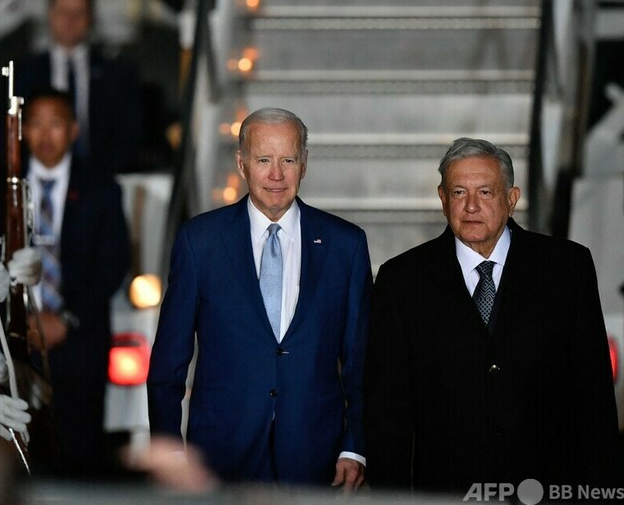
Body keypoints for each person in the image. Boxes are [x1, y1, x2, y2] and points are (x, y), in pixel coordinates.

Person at [364, 137, 621, 495]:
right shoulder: (402, 280)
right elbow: (387, 413)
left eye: (485, 192)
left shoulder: (566, 268)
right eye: (459, 192)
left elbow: (594, 399)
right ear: (442, 199)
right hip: (447, 495)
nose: (471, 206)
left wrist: (602, 491)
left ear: (511, 199)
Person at [147, 107, 372, 488]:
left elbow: (361, 363)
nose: (276, 174)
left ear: (304, 165)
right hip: (219, 454)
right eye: (264, 160)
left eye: (288, 160)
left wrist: (355, 446)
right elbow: (169, 361)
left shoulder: (345, 245)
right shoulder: (200, 242)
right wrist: (169, 451)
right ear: (242, 164)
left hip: (315, 455)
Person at [18, 88, 130, 477]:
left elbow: (112, 264)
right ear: (22, 129)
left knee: (79, 453)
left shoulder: (101, 188)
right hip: (17, 337)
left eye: (55, 124)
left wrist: (64, 318)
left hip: (80, 338)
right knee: (19, 454)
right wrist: (20, 319)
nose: (45, 134)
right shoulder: (1, 186)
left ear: (73, 129)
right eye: (35, 123)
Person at [3, 0, 142, 177]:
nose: (70, 20)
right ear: (50, 15)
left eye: (79, 12)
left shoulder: (120, 74)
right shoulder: (20, 72)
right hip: (33, 180)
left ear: (91, 17)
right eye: (63, 11)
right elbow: (4, 141)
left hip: (102, 181)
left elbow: (129, 139)